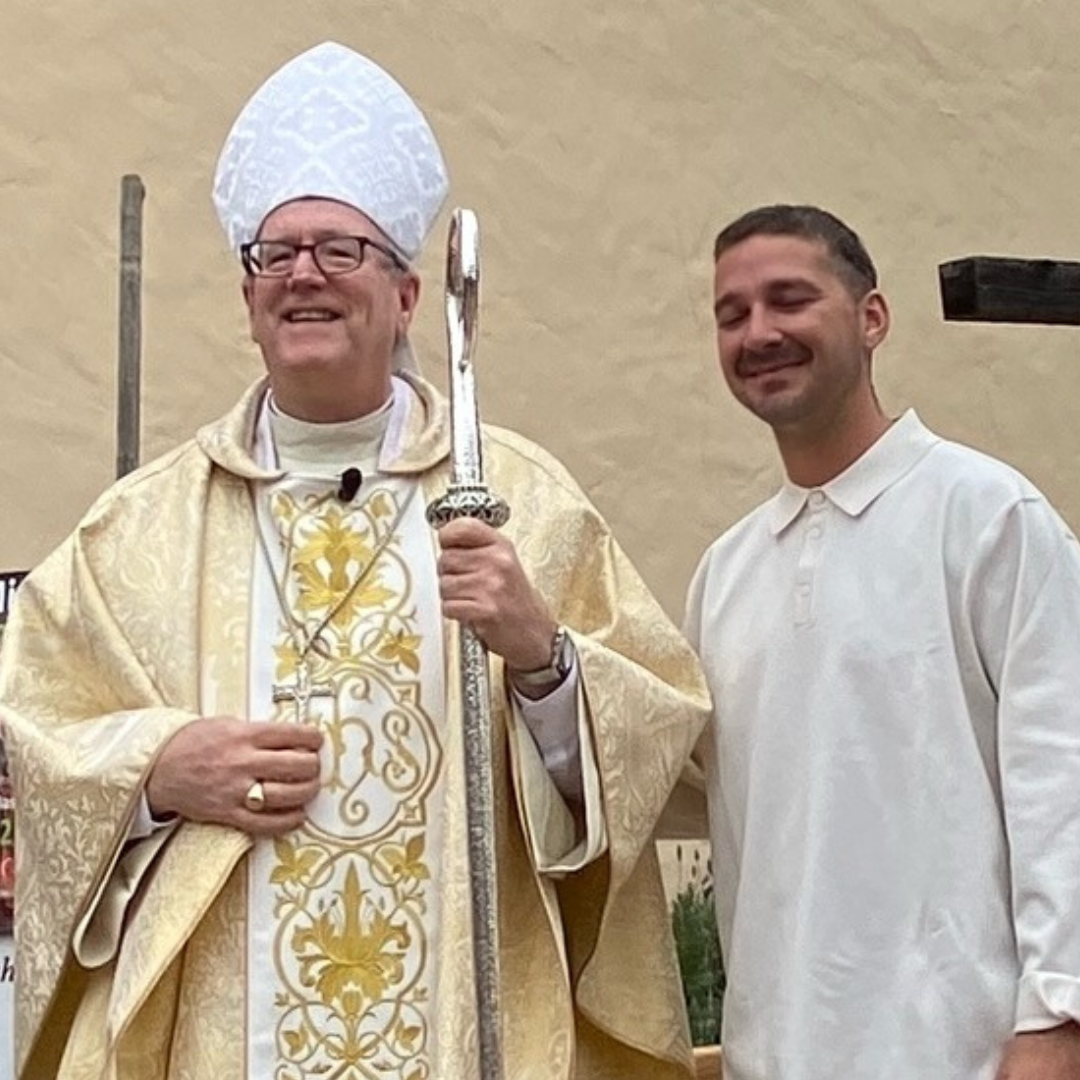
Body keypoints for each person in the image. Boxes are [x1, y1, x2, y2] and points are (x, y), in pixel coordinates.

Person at [0, 42, 709, 1080]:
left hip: (458, 1035)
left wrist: (544, 660)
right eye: (274, 255)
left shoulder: (521, 503)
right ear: (249, 303)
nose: (302, 276)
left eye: (339, 250)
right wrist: (155, 771)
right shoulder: (138, 530)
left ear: (408, 297)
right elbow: (39, 719)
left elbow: (662, 744)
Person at [685, 204, 1080, 1080]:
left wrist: (1059, 1017)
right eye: (732, 314)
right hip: (776, 1054)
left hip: (964, 1054)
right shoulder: (724, 573)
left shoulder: (986, 517)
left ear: (873, 319)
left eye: (790, 299)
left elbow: (1064, 774)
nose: (759, 333)